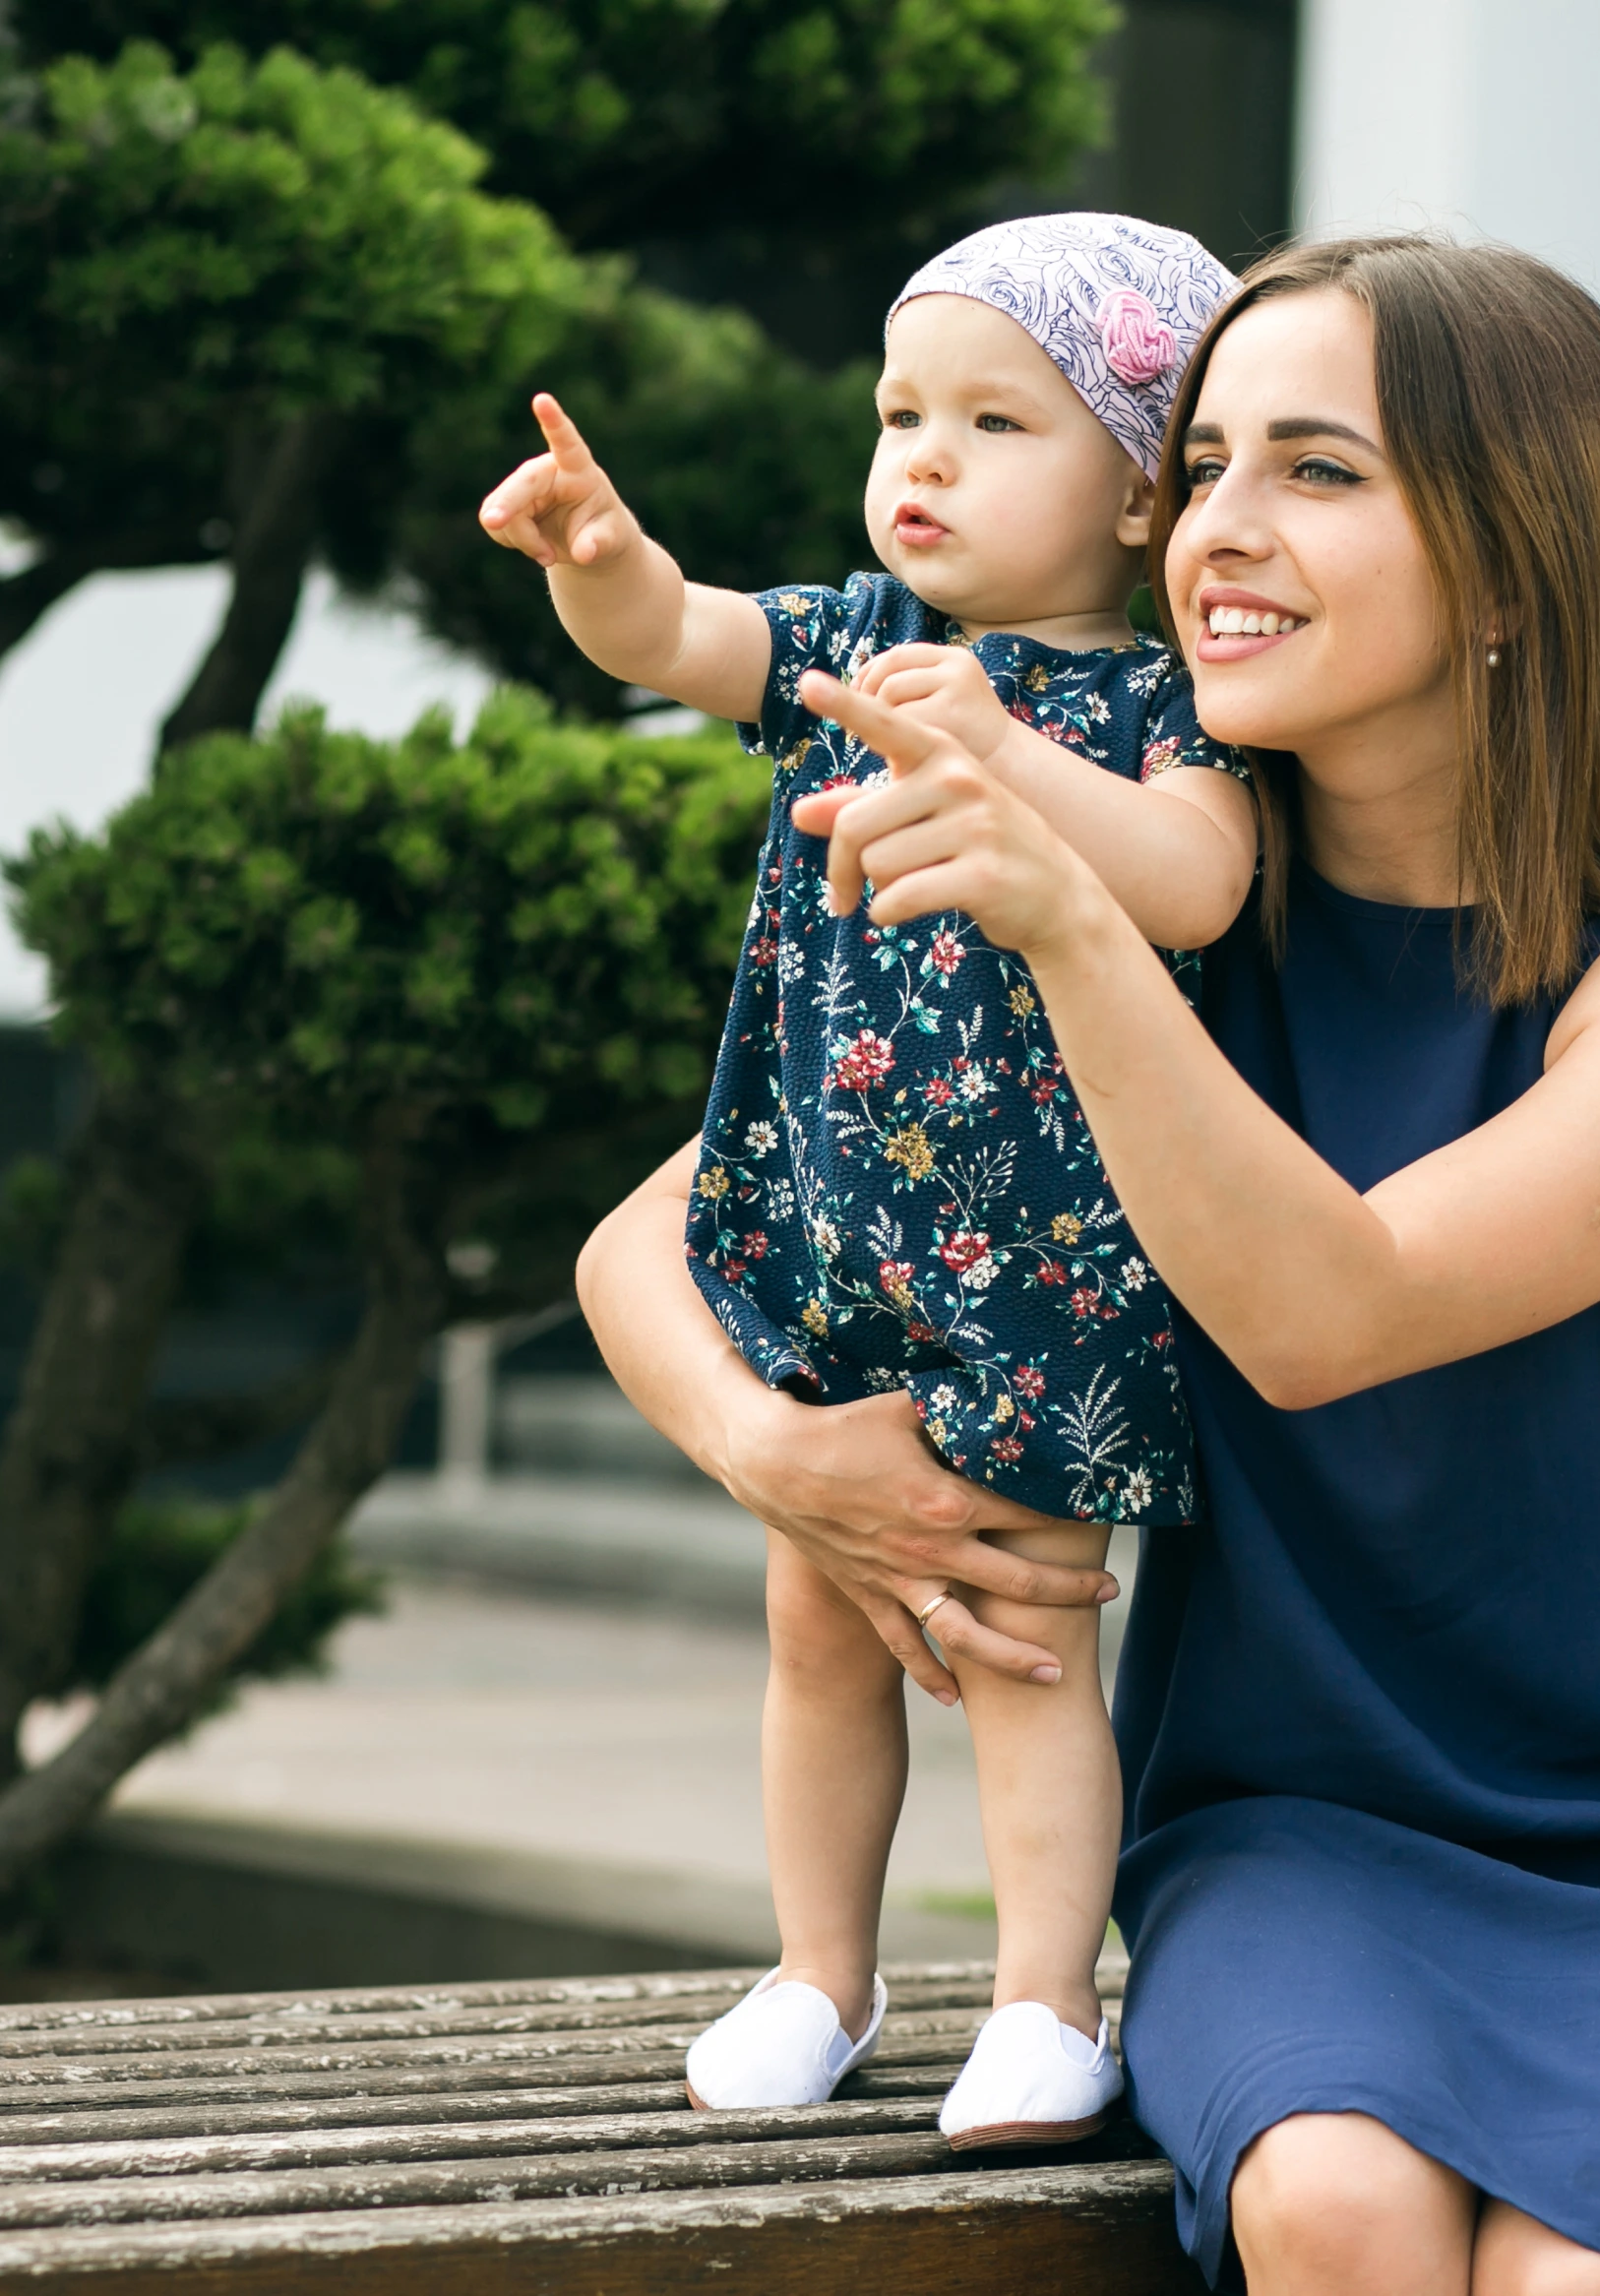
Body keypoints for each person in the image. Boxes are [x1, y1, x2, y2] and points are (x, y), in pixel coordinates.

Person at [576, 235, 1600, 2295]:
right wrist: (793, 1457)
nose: (1216, 525)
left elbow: (1332, 1312)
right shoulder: (1152, 911)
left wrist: (1071, 929)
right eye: (1200, 460)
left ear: (1509, 563)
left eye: (1317, 471)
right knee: (1327, 2207)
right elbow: (641, 1240)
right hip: (1291, 1830)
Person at [479, 213, 1252, 2145]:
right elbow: (678, 639)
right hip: (828, 1241)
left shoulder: (1161, 708)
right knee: (816, 1625)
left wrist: (1004, 752)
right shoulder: (848, 642)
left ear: (1144, 489)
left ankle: (1043, 1999)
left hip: (1046, 1276)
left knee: (1019, 1635)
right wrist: (605, 564)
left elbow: (1196, 880)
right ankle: (821, 1969)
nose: (922, 455)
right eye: (904, 410)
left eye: (997, 421)